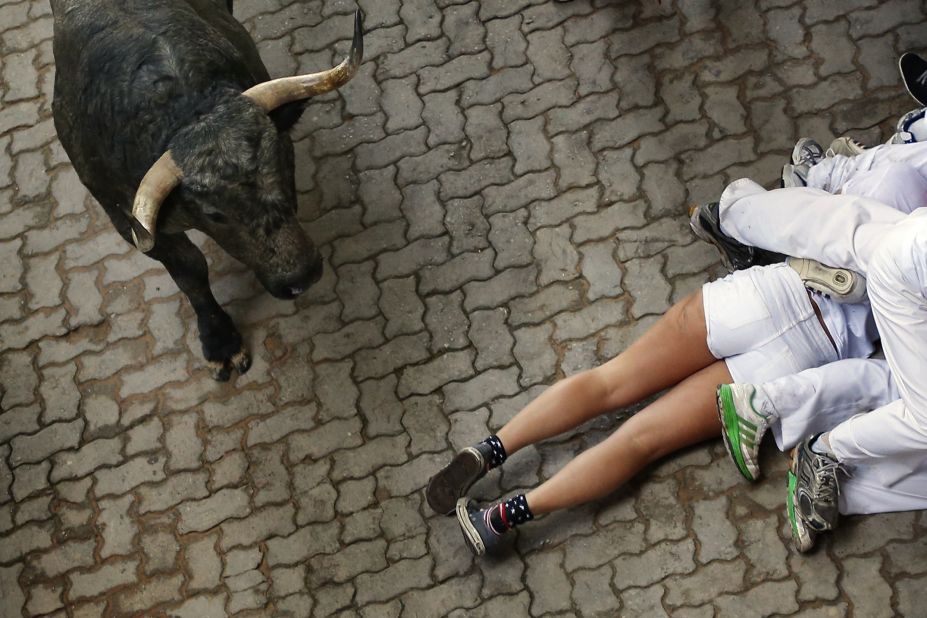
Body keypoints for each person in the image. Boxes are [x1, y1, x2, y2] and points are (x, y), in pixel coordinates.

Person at [425, 256, 876, 556]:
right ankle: (501, 518)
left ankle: (490, 449)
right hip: (811, 352)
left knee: (610, 381)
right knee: (640, 440)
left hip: (776, 293)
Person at [705, 143, 927, 551]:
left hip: (896, 260)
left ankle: (772, 404)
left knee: (906, 388)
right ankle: (823, 452)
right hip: (896, 278)